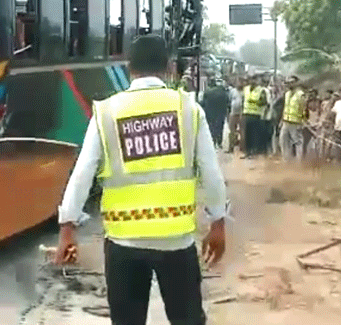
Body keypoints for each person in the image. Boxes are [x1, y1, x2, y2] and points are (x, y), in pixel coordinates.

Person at [54, 35, 227, 325]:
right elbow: (211, 172)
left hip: (124, 244)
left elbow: (82, 173)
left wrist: (67, 228)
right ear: (170, 67)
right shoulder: (188, 109)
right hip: (176, 242)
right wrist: (218, 222)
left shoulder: (107, 112)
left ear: (128, 67)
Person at [279, 76, 305, 162]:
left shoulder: (300, 94)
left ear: (296, 83)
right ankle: (286, 160)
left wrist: (302, 122)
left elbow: (303, 109)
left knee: (297, 142)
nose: (290, 84)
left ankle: (298, 162)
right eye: (288, 82)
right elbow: (285, 108)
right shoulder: (287, 94)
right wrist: (281, 120)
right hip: (286, 121)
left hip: (296, 122)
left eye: (292, 82)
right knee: (283, 140)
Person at [200, 78, 229, 149]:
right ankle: (219, 142)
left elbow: (203, 103)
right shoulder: (222, 91)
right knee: (220, 127)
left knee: (211, 127)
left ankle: (212, 141)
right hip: (221, 112)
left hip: (210, 113)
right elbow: (227, 101)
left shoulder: (207, 92)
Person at [242, 75, 266, 159]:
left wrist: (255, 102)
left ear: (257, 81)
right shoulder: (245, 89)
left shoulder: (261, 90)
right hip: (246, 114)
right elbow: (243, 101)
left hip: (256, 115)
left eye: (254, 80)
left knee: (254, 134)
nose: (253, 82)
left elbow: (264, 102)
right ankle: (247, 152)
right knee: (247, 134)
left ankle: (254, 152)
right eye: (251, 80)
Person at [225, 79, 243, 153]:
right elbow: (229, 101)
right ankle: (231, 147)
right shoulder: (232, 91)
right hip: (233, 113)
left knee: (242, 131)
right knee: (232, 131)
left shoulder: (244, 91)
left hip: (241, 113)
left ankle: (242, 147)